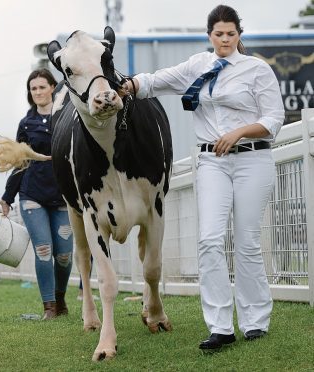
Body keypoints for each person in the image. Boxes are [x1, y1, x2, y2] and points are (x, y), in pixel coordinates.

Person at [121, 5, 285, 350]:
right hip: (211, 161)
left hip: (252, 159)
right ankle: (220, 326)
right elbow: (155, 82)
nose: (225, 39)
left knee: (247, 242)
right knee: (210, 239)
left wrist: (238, 132)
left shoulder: (257, 70)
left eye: (231, 33)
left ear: (239, 35)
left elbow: (274, 119)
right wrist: (127, 85)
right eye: (218, 34)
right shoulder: (198, 65)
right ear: (209, 35)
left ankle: (255, 320)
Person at [0, 69, 73, 320]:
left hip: (63, 195)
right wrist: (7, 197)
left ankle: (61, 299)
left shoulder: (67, 116)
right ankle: (49, 307)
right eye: (33, 89)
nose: (38, 92)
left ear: (53, 87)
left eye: (42, 87)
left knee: (63, 254)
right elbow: (20, 163)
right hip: (32, 195)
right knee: (43, 249)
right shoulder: (26, 123)